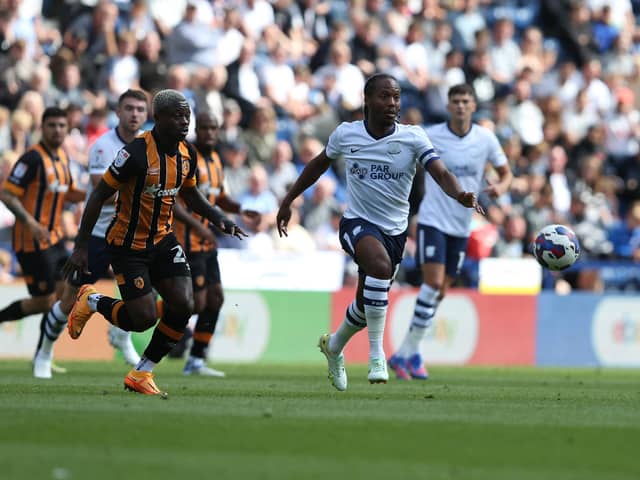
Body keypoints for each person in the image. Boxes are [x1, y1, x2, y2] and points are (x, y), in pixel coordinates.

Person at [276, 74, 482, 391]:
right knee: (380, 268)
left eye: (396, 97)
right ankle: (377, 356)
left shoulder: (413, 137)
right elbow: (317, 165)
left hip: (395, 232)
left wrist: (460, 194)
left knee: (365, 304)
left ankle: (333, 347)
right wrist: (289, 200)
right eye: (385, 97)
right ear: (367, 100)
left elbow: (441, 172)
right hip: (356, 222)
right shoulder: (347, 134)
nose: (392, 103)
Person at [62, 90, 246, 396]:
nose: (184, 121)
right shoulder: (134, 154)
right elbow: (97, 196)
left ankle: (142, 372)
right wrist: (81, 246)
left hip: (163, 240)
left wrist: (218, 217)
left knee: (184, 305)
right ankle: (92, 300)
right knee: (142, 319)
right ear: (157, 118)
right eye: (177, 115)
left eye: (186, 115)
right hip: (126, 244)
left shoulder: (187, 153)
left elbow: (191, 194)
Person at [388, 83, 513, 380]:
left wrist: (501, 187)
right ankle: (412, 354)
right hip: (432, 220)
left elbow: (507, 173)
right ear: (448, 106)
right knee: (431, 284)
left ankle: (405, 353)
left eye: (465, 101)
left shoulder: (485, 139)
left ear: (473, 105)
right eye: (455, 100)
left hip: (461, 225)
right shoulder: (431, 135)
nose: (460, 105)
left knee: (442, 290)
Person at [35, 90, 149, 380]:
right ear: (118, 112)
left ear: (146, 114)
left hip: (130, 235)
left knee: (147, 292)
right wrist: (144, 188)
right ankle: (44, 354)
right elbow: (103, 191)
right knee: (69, 298)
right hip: (98, 235)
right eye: (129, 108)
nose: (135, 114)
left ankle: (122, 336)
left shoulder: (149, 146)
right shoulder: (103, 147)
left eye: (140, 109)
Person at [172, 111, 260, 377]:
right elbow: (174, 200)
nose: (210, 133)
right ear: (198, 130)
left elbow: (218, 197)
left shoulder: (216, 161)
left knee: (216, 298)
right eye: (206, 128)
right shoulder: (187, 157)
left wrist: (241, 209)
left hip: (207, 243)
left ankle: (196, 360)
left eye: (214, 128)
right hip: (187, 242)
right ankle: (140, 313)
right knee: (196, 304)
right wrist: (200, 226)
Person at [0, 107, 85, 378]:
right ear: (43, 127)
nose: (57, 130)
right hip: (31, 241)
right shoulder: (32, 158)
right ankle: (39, 354)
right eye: (52, 125)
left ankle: (42, 355)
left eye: (62, 125)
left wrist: (100, 191)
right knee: (46, 301)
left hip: (56, 239)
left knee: (64, 296)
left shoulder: (62, 156)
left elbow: (67, 193)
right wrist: (31, 223)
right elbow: (7, 194)